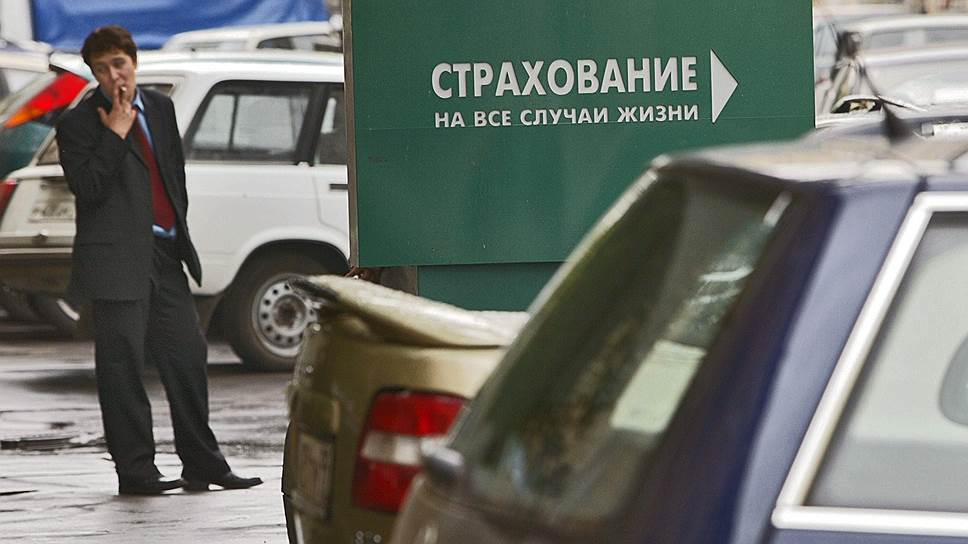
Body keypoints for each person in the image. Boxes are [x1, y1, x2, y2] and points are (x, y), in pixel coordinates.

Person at [57, 25, 261, 495]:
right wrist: (115, 134)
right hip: (115, 262)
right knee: (122, 367)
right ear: (93, 74)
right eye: (102, 69)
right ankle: (136, 471)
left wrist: (177, 233)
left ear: (134, 62)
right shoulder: (79, 123)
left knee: (187, 356)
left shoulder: (161, 107)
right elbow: (87, 188)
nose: (114, 76)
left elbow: (173, 175)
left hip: (165, 253)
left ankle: (203, 464)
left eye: (119, 64)